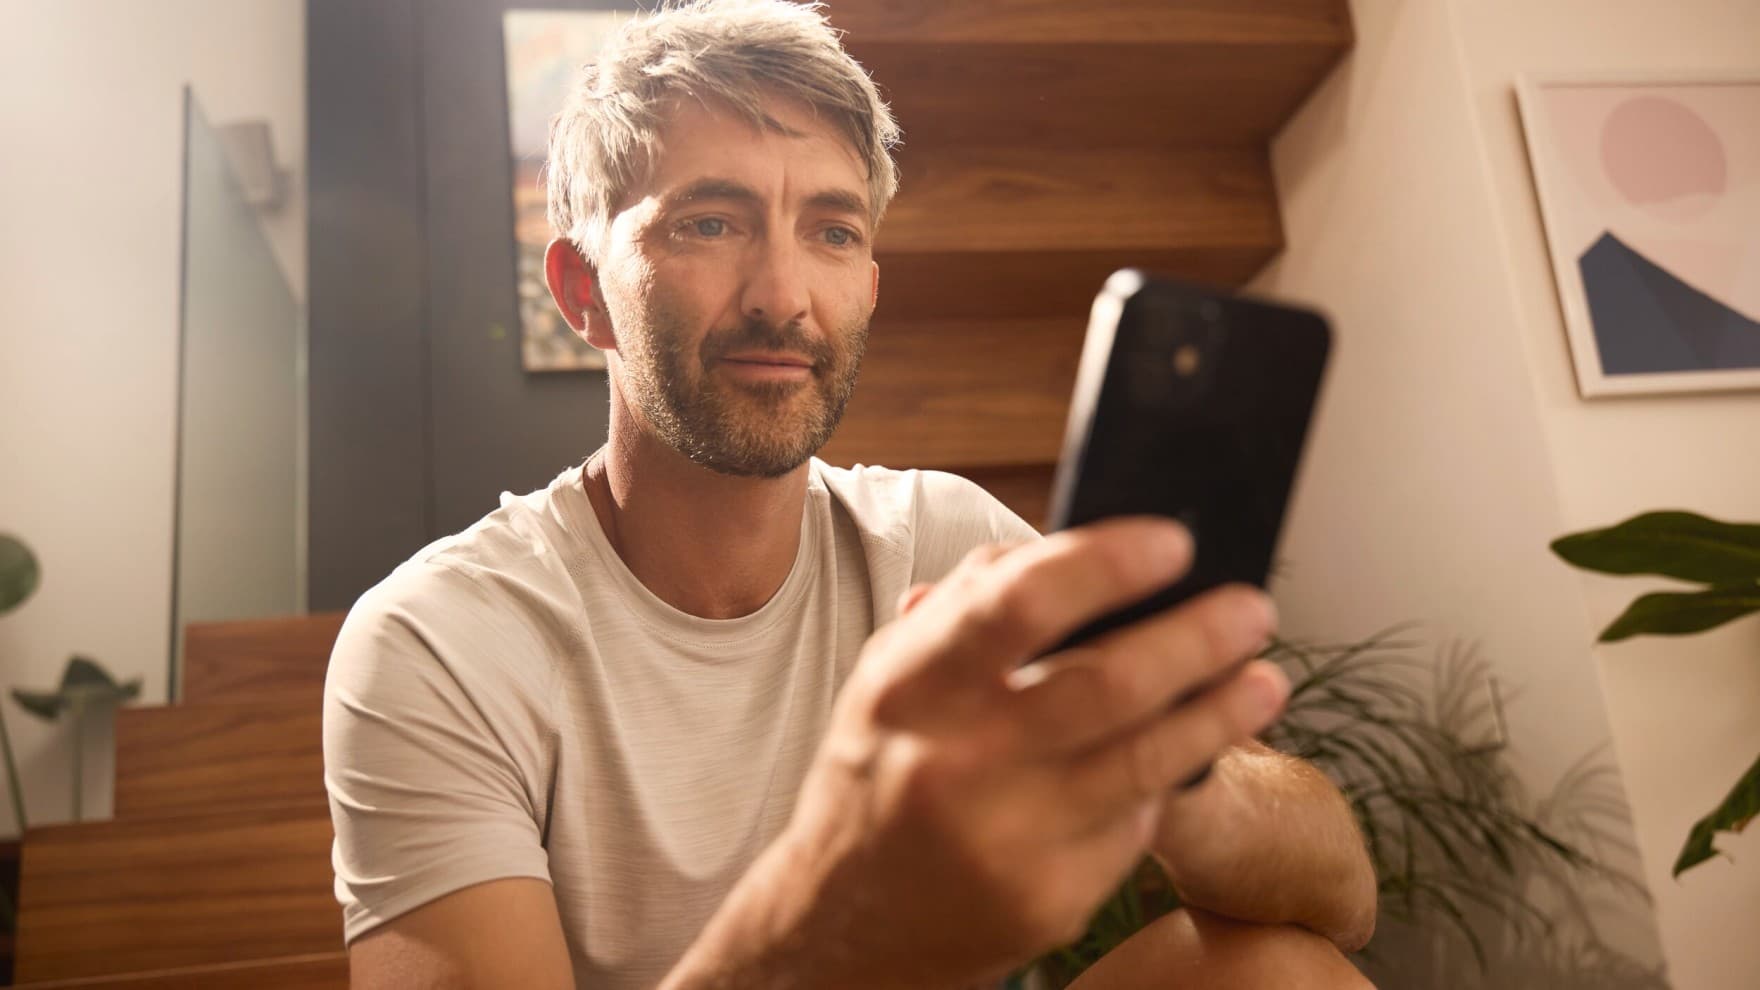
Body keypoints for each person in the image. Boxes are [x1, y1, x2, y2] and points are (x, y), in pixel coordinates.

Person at [322, 2, 1378, 987]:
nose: (784, 298)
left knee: (1276, 972)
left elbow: (1346, 896)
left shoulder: (942, 541)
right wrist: (845, 915)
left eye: (831, 232)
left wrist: (1170, 780)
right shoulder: (439, 642)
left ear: (867, 287)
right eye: (708, 223)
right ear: (581, 293)